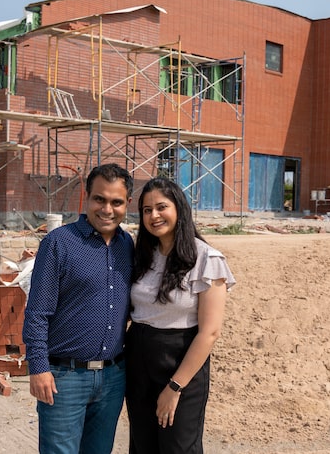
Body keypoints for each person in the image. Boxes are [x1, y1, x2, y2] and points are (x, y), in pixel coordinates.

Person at [23, 163, 135, 454]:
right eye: (100, 199)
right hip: (64, 379)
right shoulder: (60, 243)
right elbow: (37, 312)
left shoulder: (128, 245)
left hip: (112, 379)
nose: (107, 209)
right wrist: (38, 368)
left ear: (127, 204)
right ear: (86, 198)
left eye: (116, 202)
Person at [126, 177, 236, 454]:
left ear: (179, 209)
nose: (154, 215)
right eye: (147, 210)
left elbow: (210, 332)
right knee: (143, 445)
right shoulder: (142, 255)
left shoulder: (207, 259)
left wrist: (174, 387)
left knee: (178, 448)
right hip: (138, 362)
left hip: (179, 365)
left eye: (161, 207)